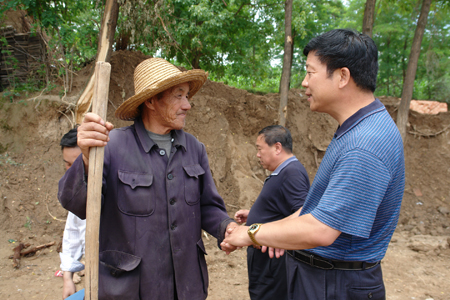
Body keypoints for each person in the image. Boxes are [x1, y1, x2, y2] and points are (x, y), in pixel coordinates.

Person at [222, 29, 405, 300]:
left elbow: (321, 229)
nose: (304, 82)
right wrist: (273, 232)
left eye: (310, 72)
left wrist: (250, 234)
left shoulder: (364, 144)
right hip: (329, 278)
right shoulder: (358, 129)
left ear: (342, 76)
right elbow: (317, 209)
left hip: (335, 284)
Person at [58, 57, 238, 300]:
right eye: (179, 95)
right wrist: (88, 160)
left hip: (186, 287)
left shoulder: (195, 149)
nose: (187, 105)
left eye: (187, 96)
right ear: (151, 101)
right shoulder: (111, 147)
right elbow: (76, 204)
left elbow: (207, 207)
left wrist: (227, 227)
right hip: (131, 290)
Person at [234, 125, 310, 300]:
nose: (258, 154)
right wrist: (254, 214)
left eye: (260, 149)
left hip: (274, 264)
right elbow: (284, 209)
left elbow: (304, 214)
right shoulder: (285, 171)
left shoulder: (292, 173)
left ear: (277, 147)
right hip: (267, 263)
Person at [59, 127, 86, 299]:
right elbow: (72, 234)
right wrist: (67, 278)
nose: (70, 171)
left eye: (74, 164)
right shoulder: (76, 198)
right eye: (67, 164)